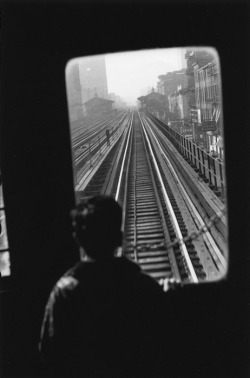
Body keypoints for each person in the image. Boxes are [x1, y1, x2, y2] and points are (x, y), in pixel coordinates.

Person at [39, 195, 166, 377]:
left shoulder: (64, 291)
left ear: (78, 240)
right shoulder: (143, 285)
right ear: (119, 238)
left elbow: (50, 353)